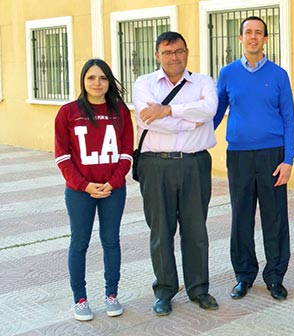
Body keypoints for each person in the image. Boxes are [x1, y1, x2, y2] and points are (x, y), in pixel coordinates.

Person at [133, 31, 219, 316]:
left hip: (195, 164)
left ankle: (199, 289)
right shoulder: (144, 83)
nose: (174, 57)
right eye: (167, 52)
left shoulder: (204, 81)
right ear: (157, 55)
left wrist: (167, 110)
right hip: (156, 165)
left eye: (179, 51)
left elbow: (209, 110)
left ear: (187, 52)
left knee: (196, 229)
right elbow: (147, 120)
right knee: (161, 230)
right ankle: (165, 291)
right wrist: (187, 121)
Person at [214, 16, 294, 301]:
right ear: (240, 38)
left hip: (272, 156)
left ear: (265, 39)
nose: (253, 37)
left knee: (275, 219)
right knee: (241, 218)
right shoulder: (227, 74)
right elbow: (214, 113)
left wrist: (289, 159)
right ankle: (244, 275)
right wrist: (191, 140)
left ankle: (275, 276)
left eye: (258, 33)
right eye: (248, 32)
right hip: (238, 156)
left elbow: (289, 118)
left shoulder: (278, 74)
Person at [54, 58, 133, 321]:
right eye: (91, 78)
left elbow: (126, 153)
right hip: (80, 192)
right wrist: (84, 185)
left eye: (102, 78)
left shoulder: (120, 112)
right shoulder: (68, 112)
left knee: (111, 241)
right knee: (79, 243)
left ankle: (112, 294)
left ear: (109, 81)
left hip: (113, 189)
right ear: (83, 81)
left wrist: (113, 182)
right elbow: (62, 156)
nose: (97, 83)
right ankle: (80, 298)